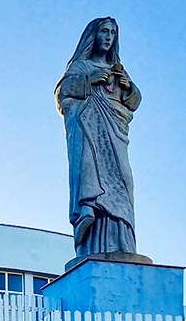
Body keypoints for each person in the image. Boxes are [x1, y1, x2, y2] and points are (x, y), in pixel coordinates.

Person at [54, 17, 142, 258]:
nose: (108, 37)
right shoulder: (81, 67)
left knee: (124, 182)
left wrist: (128, 89)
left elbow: (133, 103)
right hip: (89, 134)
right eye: (104, 31)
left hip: (115, 135)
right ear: (93, 35)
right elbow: (62, 95)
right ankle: (89, 220)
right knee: (89, 174)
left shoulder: (119, 70)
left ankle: (123, 243)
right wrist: (88, 82)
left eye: (112, 33)